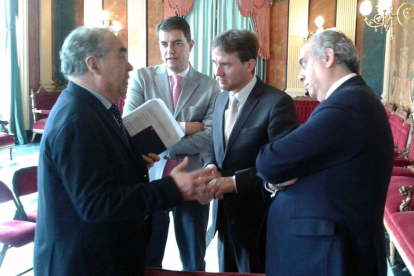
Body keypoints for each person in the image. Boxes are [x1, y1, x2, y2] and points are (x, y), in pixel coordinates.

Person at [33, 26, 214, 276]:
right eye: (121, 56)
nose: (129, 66)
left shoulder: (95, 108)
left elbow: (99, 176)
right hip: (84, 264)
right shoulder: (78, 120)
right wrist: (173, 188)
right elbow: (97, 205)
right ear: (93, 64)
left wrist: (132, 164)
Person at [256, 30, 394, 276]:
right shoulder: (353, 99)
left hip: (328, 255)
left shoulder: (348, 104)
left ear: (328, 57)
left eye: (303, 63)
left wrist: (284, 174)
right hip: (325, 249)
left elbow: (269, 162)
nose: (299, 75)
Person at [124, 16, 220, 271]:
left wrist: (160, 139)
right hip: (150, 182)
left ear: (190, 44)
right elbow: (130, 128)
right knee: (148, 258)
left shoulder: (210, 86)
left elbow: (210, 136)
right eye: (164, 44)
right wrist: (183, 128)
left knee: (193, 260)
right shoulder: (143, 78)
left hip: (193, 180)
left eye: (177, 43)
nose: (170, 50)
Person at [203, 29, 299, 273]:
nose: (217, 72)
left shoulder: (277, 103)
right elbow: (214, 146)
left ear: (249, 65)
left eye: (225, 64)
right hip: (224, 217)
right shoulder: (220, 100)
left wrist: (234, 182)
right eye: (215, 62)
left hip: (259, 221)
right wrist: (210, 165)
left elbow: (283, 167)